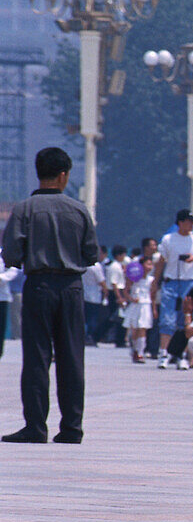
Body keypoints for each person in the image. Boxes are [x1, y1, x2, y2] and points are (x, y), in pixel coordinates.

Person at [1, 147, 98, 443]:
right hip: (71, 288)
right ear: (63, 175)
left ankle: (35, 426)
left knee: (37, 358)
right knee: (71, 357)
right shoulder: (80, 209)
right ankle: (71, 427)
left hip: (39, 286)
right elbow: (91, 253)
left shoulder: (24, 209)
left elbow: (12, 254)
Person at [152, 209, 193, 369]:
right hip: (171, 281)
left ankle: (182, 354)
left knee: (187, 318)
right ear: (180, 222)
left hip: (190, 281)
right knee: (167, 318)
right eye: (188, 221)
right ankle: (164, 353)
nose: (191, 225)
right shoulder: (169, 239)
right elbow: (161, 261)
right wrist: (156, 281)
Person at [122, 255, 156, 363]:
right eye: (148, 264)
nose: (149, 267)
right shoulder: (133, 278)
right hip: (135, 305)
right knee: (135, 329)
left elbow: (153, 296)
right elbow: (125, 291)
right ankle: (135, 349)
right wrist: (131, 299)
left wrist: (154, 309)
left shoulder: (151, 279)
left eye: (151, 264)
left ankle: (140, 352)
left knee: (143, 328)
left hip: (146, 305)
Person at [81, 246, 108, 345]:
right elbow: (101, 281)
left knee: (83, 318)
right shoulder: (96, 266)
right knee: (92, 318)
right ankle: (89, 336)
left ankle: (82, 336)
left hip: (84, 293)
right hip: (94, 295)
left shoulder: (82, 264)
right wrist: (106, 291)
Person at [0, 255, 18, 360]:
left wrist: (2, 278)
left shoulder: (3, 254)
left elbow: (13, 269)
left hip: (2, 297)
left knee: (1, 327)